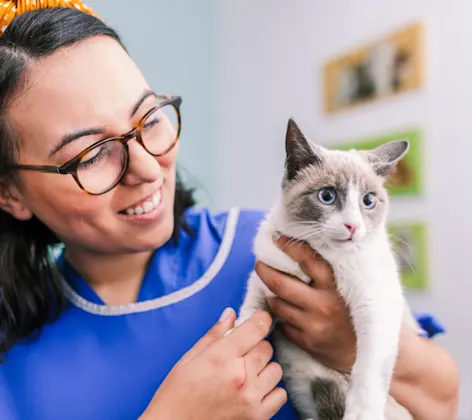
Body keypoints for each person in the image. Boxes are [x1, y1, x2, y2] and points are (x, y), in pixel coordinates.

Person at [0, 3, 459, 420]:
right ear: (10, 193)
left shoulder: (283, 248)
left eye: (149, 119)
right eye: (92, 154)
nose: (147, 168)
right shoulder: (10, 352)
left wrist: (348, 344)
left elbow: (442, 403)